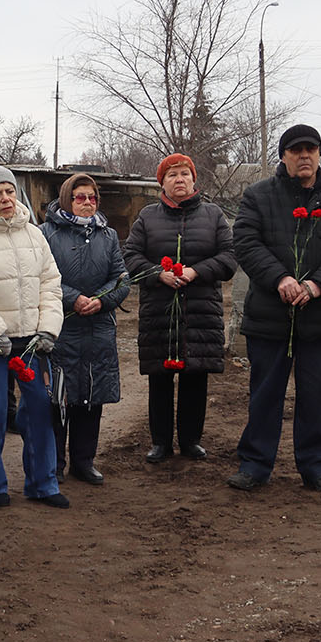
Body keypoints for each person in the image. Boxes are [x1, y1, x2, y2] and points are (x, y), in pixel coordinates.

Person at [229, 124, 321, 494]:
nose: (304, 155)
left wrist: (316, 285)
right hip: (271, 314)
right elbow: (246, 242)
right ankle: (255, 464)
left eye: (311, 149)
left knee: (317, 395)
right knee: (265, 393)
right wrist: (281, 279)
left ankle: (317, 466)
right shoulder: (258, 196)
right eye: (296, 150)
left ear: (320, 154)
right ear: (283, 156)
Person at [0, 166, 68, 507]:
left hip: (32, 340)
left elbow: (51, 283)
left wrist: (49, 327)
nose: (5, 199)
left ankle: (43, 483)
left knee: (40, 408)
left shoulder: (33, 234)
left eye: (9, 191)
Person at [123, 154, 237, 463]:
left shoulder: (213, 216)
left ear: (194, 179)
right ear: (162, 182)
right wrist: (156, 273)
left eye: (185, 173)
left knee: (195, 378)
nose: (179, 179)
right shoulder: (148, 217)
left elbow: (229, 258)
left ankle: (191, 440)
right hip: (160, 311)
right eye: (172, 175)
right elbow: (130, 256)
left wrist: (196, 271)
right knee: (159, 379)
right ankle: (160, 442)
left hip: (200, 311)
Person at [41, 174, 129, 484]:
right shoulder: (46, 234)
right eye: (80, 197)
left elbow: (121, 278)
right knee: (60, 398)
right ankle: (55, 463)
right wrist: (72, 298)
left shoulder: (107, 235)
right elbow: (43, 276)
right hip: (62, 325)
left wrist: (101, 301)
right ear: (67, 199)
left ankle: (83, 460)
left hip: (98, 326)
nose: (88, 203)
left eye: (92, 197)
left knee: (93, 396)